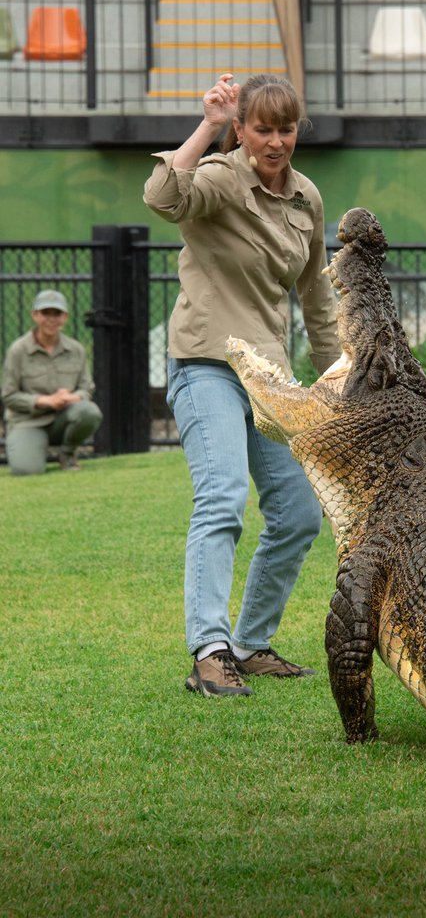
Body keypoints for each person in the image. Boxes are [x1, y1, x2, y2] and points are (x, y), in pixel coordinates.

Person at [144, 73, 342, 698]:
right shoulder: (222, 177)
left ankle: (251, 644)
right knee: (223, 497)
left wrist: (338, 378)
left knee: (299, 513)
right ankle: (209, 650)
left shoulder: (307, 198)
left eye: (286, 129)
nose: (276, 141)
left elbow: (315, 296)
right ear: (242, 129)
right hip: (205, 364)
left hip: (270, 378)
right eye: (262, 128)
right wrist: (205, 125)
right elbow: (162, 195)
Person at [2, 289, 103, 476]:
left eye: (56, 313)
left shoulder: (76, 349)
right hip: (28, 422)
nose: (51, 319)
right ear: (35, 315)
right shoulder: (18, 350)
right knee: (27, 470)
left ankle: (67, 453)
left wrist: (74, 397)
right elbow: (8, 395)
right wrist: (45, 401)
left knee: (89, 411)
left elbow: (86, 387)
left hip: (63, 418)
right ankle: (33, 448)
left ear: (64, 317)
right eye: (45, 313)